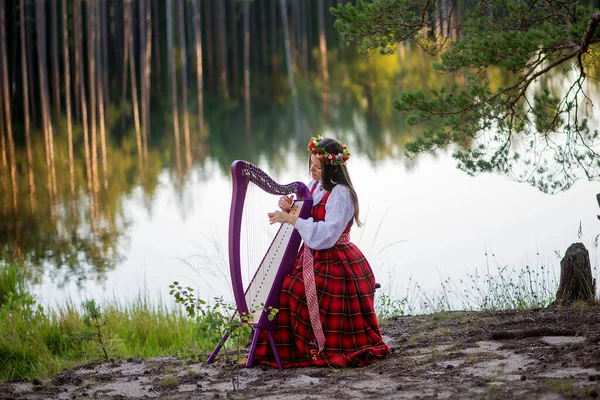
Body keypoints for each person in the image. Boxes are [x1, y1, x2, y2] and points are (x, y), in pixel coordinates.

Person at [254, 135, 391, 368]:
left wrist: (292, 220)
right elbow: (303, 210)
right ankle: (293, 346)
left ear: (331, 168)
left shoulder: (341, 194)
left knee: (293, 288)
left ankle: (314, 347)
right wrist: (288, 206)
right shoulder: (314, 187)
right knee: (286, 285)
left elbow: (327, 235)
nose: (312, 170)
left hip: (336, 259)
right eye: (311, 164)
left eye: (318, 167)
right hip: (314, 256)